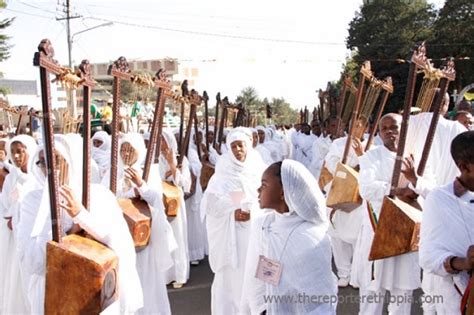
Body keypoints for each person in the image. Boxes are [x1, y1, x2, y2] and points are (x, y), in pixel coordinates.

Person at [16, 138, 144, 313]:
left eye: (57, 160)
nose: (50, 168)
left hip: (93, 293)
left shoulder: (99, 195)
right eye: (44, 162)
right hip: (53, 295)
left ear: (71, 160)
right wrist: (51, 207)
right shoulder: (32, 201)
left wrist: (80, 215)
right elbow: (33, 262)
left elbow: (118, 243)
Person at [357, 113, 434, 314]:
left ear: (404, 129)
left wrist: (415, 180)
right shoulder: (370, 157)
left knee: (403, 289)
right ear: (379, 133)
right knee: (373, 289)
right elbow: (367, 189)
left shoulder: (416, 156)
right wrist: (399, 190)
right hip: (378, 229)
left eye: (395, 127)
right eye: (385, 128)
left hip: (406, 228)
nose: (390, 131)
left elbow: (432, 188)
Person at [241, 160, 338, 314]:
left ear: (282, 192)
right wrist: (261, 308)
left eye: (264, 185)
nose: (258, 190)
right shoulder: (265, 225)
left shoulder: (312, 236)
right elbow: (258, 277)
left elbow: (318, 300)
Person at [201, 129, 266, 314]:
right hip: (231, 235)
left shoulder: (259, 168)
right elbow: (211, 203)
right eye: (234, 146)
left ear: (248, 145)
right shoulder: (222, 171)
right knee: (230, 278)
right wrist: (232, 212)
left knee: (254, 273)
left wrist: (251, 211)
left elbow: (269, 200)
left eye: (241, 145)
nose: (238, 150)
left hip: (255, 232)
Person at [419, 130, 474, 314]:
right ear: (464, 167)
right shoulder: (439, 199)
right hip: (459, 297)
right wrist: (464, 262)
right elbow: (428, 257)